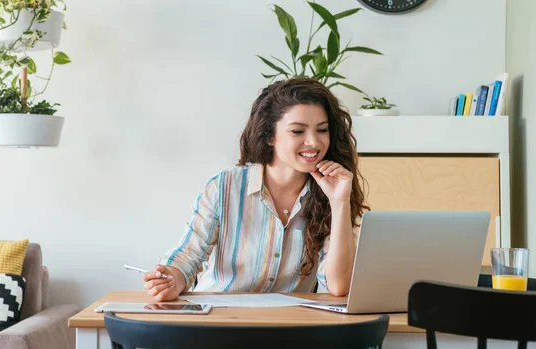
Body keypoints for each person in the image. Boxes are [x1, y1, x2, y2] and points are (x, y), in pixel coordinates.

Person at [143, 77, 368, 301]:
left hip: (289, 330)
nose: (314, 142)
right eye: (298, 131)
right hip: (219, 323)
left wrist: (339, 203)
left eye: (322, 130)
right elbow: (188, 255)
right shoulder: (225, 187)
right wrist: (170, 280)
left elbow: (339, 287)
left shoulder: (329, 194)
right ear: (270, 136)